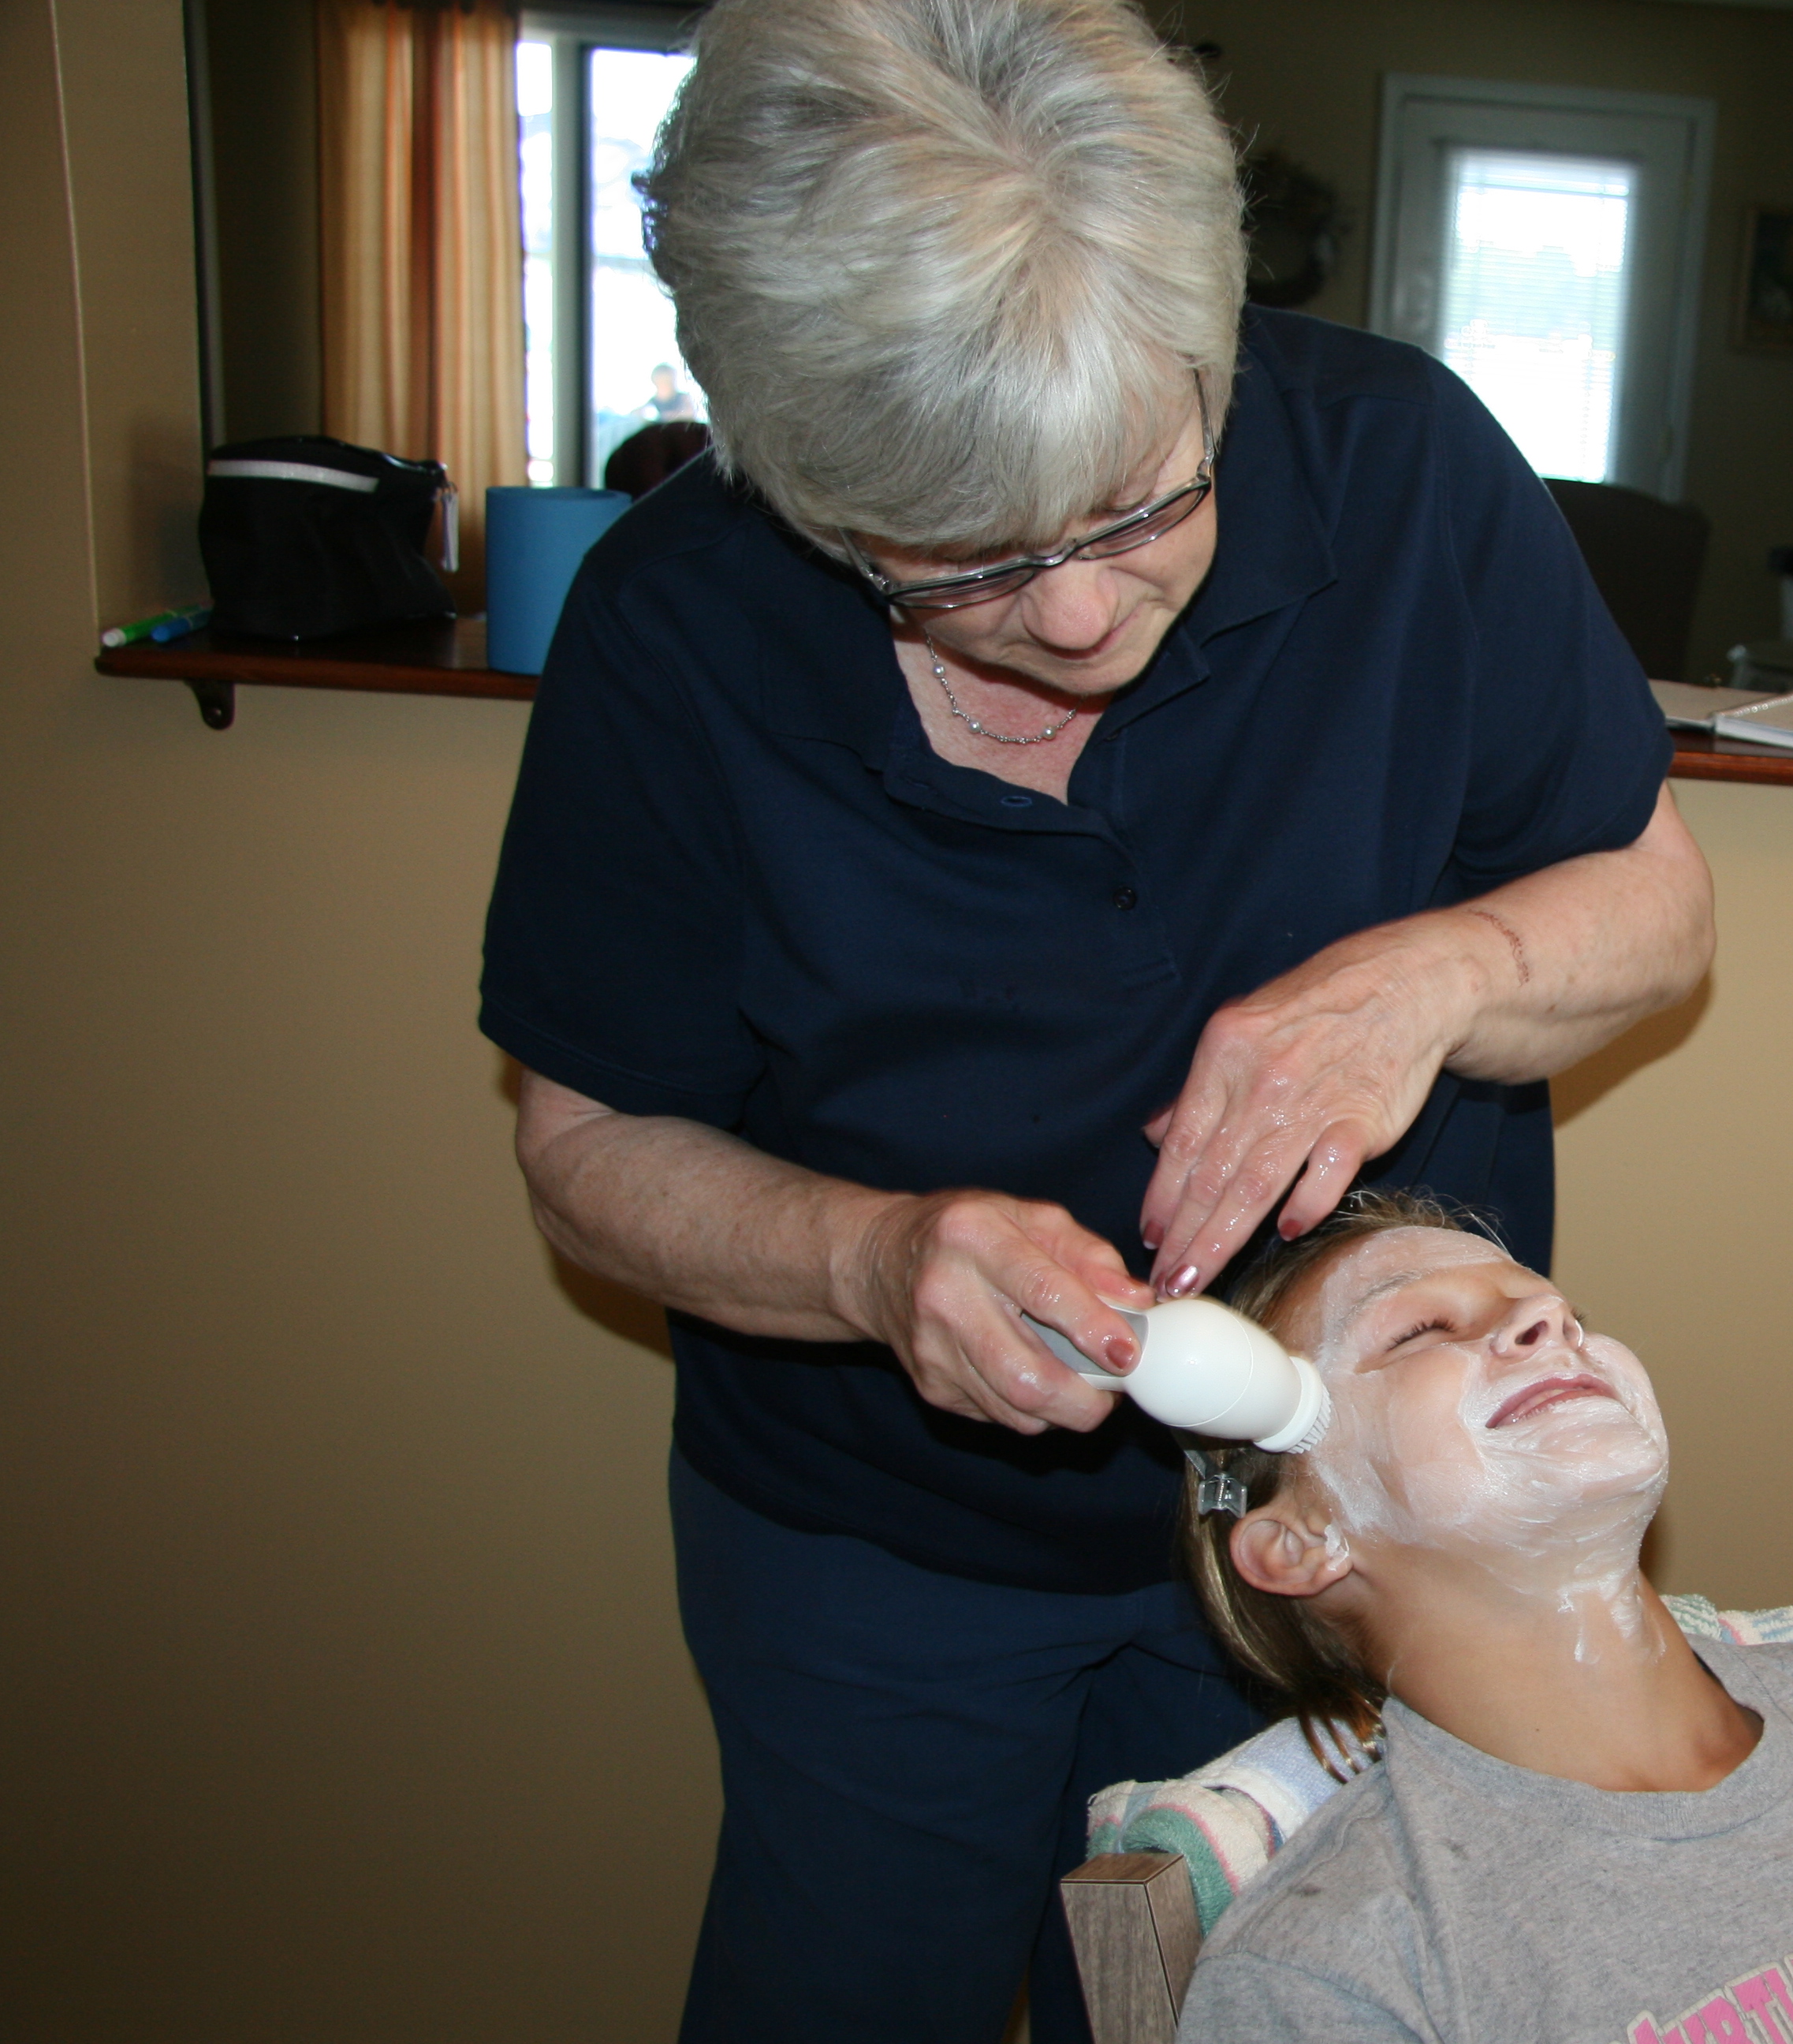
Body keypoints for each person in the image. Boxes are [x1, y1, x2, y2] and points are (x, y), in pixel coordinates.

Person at [475, 2, 1714, 2038]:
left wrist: (1445, 973)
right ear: (799, 484)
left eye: (1140, 506)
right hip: (870, 1560)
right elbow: (589, 1152)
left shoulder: (1402, 471)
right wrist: (873, 1262)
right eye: (954, 558)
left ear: (1210, 354)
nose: (1069, 616)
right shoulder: (678, 627)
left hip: (1341, 1534)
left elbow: (1660, 907)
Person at [1171, 1195, 1793, 2044]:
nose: (1550, 1321)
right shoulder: (1333, 1973)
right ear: (1301, 1541)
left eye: (1564, 1313)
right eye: (1422, 1329)